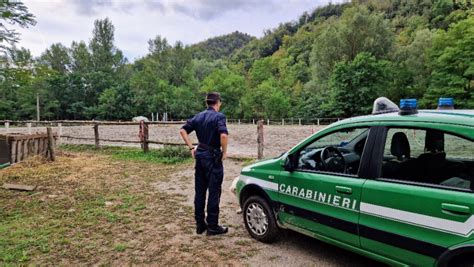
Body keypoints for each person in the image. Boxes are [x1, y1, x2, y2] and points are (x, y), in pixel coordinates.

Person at [179, 92, 229, 236]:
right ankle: (212, 225)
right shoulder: (219, 117)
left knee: (199, 191)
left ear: (206, 103)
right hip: (213, 157)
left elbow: (183, 130)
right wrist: (224, 152)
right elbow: (224, 135)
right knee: (214, 191)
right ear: (218, 102)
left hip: (200, 154)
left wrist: (191, 147)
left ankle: (200, 224)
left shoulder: (198, 116)